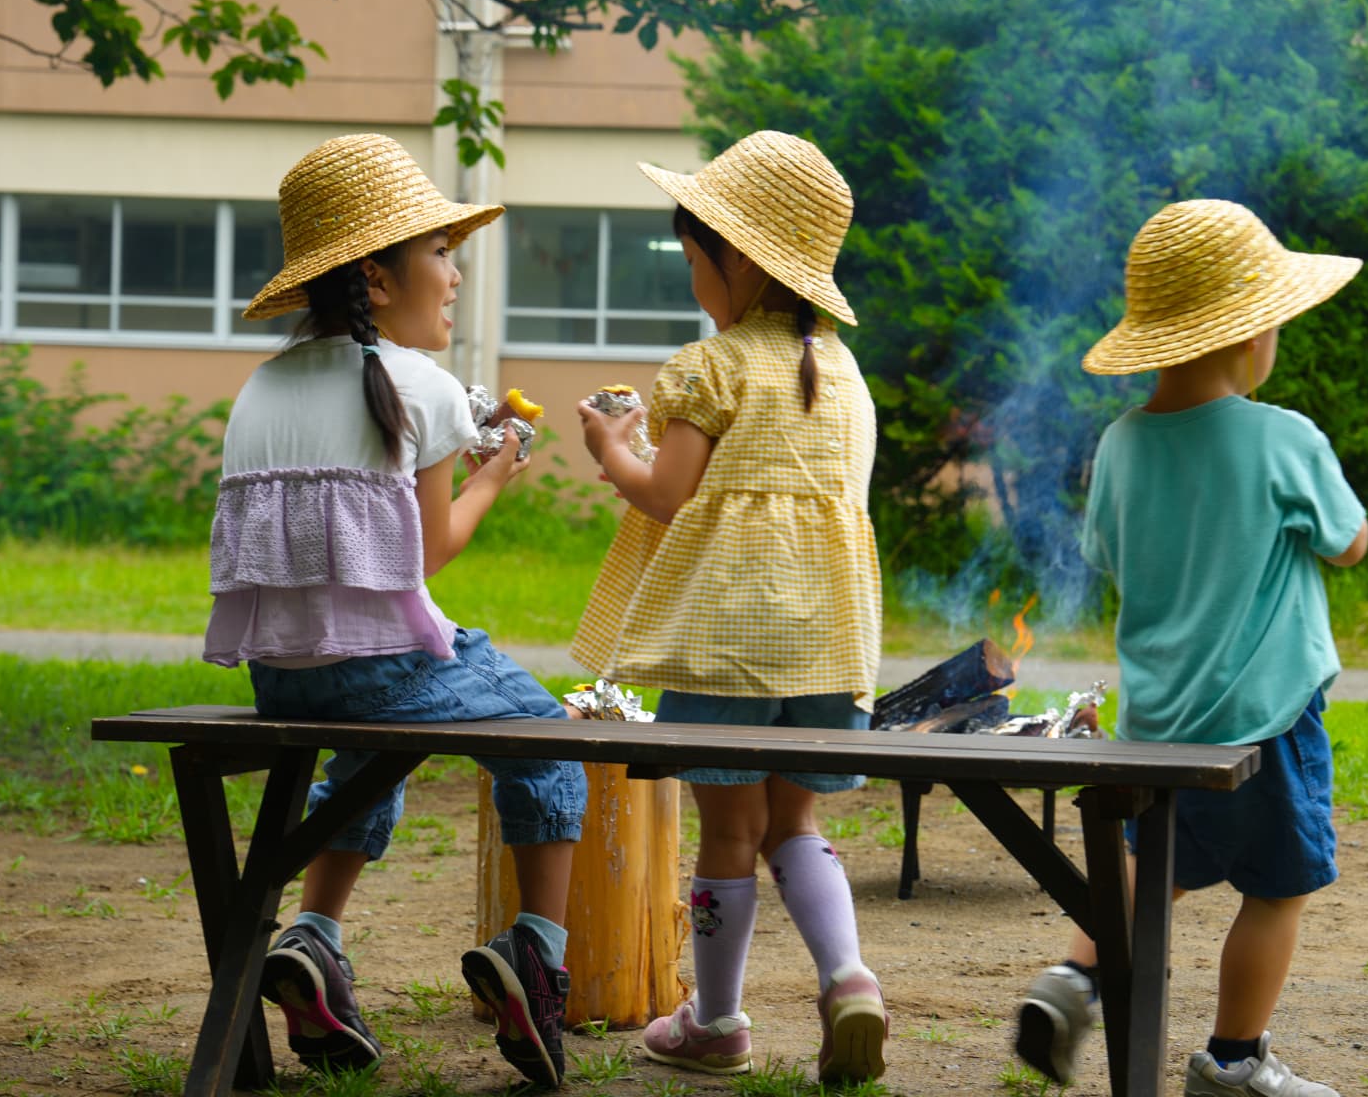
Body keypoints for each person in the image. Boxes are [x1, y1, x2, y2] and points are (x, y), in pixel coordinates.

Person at [207, 133, 587, 1089]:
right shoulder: (418, 387)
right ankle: (537, 954)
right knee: (548, 733)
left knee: (372, 756)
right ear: (377, 278)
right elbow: (429, 553)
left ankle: (317, 937)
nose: (454, 276)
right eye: (440, 254)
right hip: (387, 667)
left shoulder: (261, 386)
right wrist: (494, 473)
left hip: (284, 674)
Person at [1013, 199, 1368, 1097]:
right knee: (1278, 888)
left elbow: (1102, 553)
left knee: (1155, 869)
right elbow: (1349, 541)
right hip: (1265, 721)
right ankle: (1235, 1061)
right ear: (1252, 337)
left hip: (1161, 723)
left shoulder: (1122, 443)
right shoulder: (1284, 437)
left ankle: (1073, 978)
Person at [572, 131, 888, 1082]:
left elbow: (665, 493)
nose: (692, 278)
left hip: (726, 643)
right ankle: (849, 977)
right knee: (795, 827)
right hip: (829, 645)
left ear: (738, 260)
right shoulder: (843, 374)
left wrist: (608, 446)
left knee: (728, 834)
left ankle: (715, 1022)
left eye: (692, 254)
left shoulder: (710, 366)